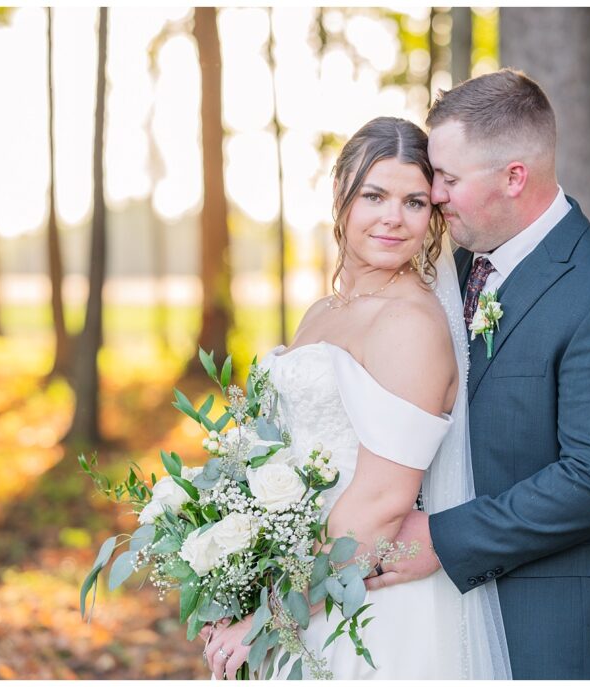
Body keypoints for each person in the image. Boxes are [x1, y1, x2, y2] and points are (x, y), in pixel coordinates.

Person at [364, 68, 590, 679]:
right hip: (442, 623)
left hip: (561, 624)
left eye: (449, 179)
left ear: (515, 177)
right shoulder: (450, 270)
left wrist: (444, 538)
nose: (435, 195)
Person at [200, 117, 511, 679]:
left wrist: (275, 615)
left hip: (361, 601)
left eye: (415, 202)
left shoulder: (410, 323)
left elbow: (384, 501)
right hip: (295, 574)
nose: (393, 217)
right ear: (341, 196)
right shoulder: (326, 310)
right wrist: (235, 573)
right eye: (375, 195)